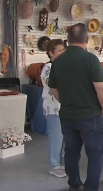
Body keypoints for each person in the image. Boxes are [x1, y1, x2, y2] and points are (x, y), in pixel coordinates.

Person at [48, 23, 103, 191]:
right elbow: (102, 88)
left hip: (67, 115)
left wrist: (67, 101)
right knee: (95, 155)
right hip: (91, 116)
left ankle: (74, 184)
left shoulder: (58, 61)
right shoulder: (90, 60)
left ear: (67, 41)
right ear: (87, 40)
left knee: (71, 152)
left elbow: (53, 88)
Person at [40, 39, 66, 177]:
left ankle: (62, 163)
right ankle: (54, 165)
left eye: (64, 50)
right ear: (51, 53)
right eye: (60, 50)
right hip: (52, 108)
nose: (63, 53)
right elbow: (53, 84)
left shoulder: (64, 66)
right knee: (57, 136)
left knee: (66, 137)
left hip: (65, 107)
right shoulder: (48, 68)